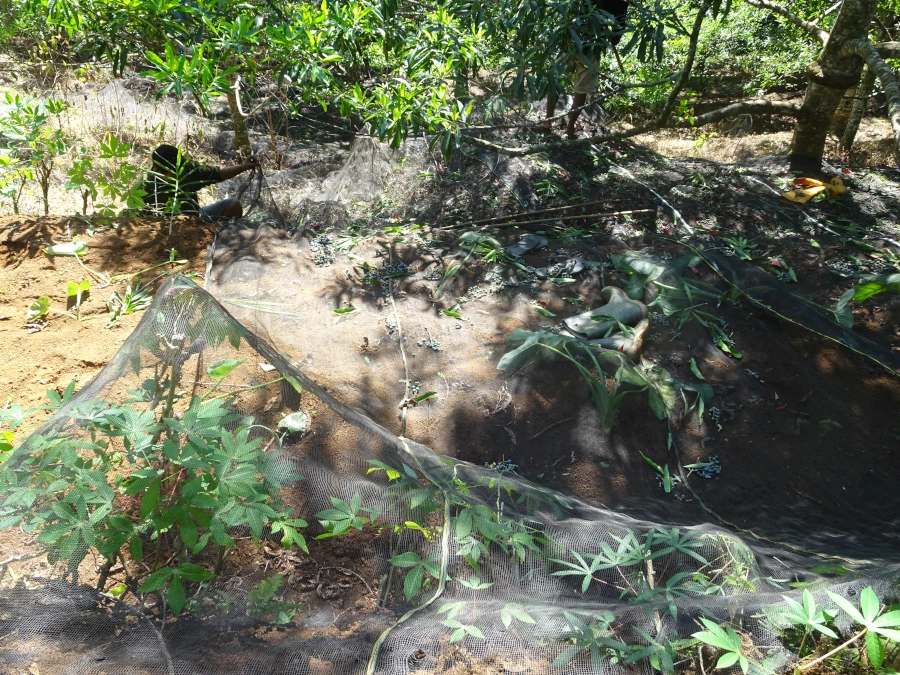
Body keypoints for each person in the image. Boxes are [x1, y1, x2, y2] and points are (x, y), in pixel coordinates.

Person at [540, 0, 629, 139]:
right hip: (592, 49)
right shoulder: (621, 3)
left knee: (557, 79)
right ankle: (569, 130)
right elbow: (616, 36)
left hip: (570, 41)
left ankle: (548, 121)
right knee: (580, 89)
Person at [141, 144, 257, 222]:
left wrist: (242, 167)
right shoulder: (147, 184)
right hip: (168, 228)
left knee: (234, 204)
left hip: (197, 221)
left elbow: (218, 173)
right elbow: (138, 216)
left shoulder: (187, 168)